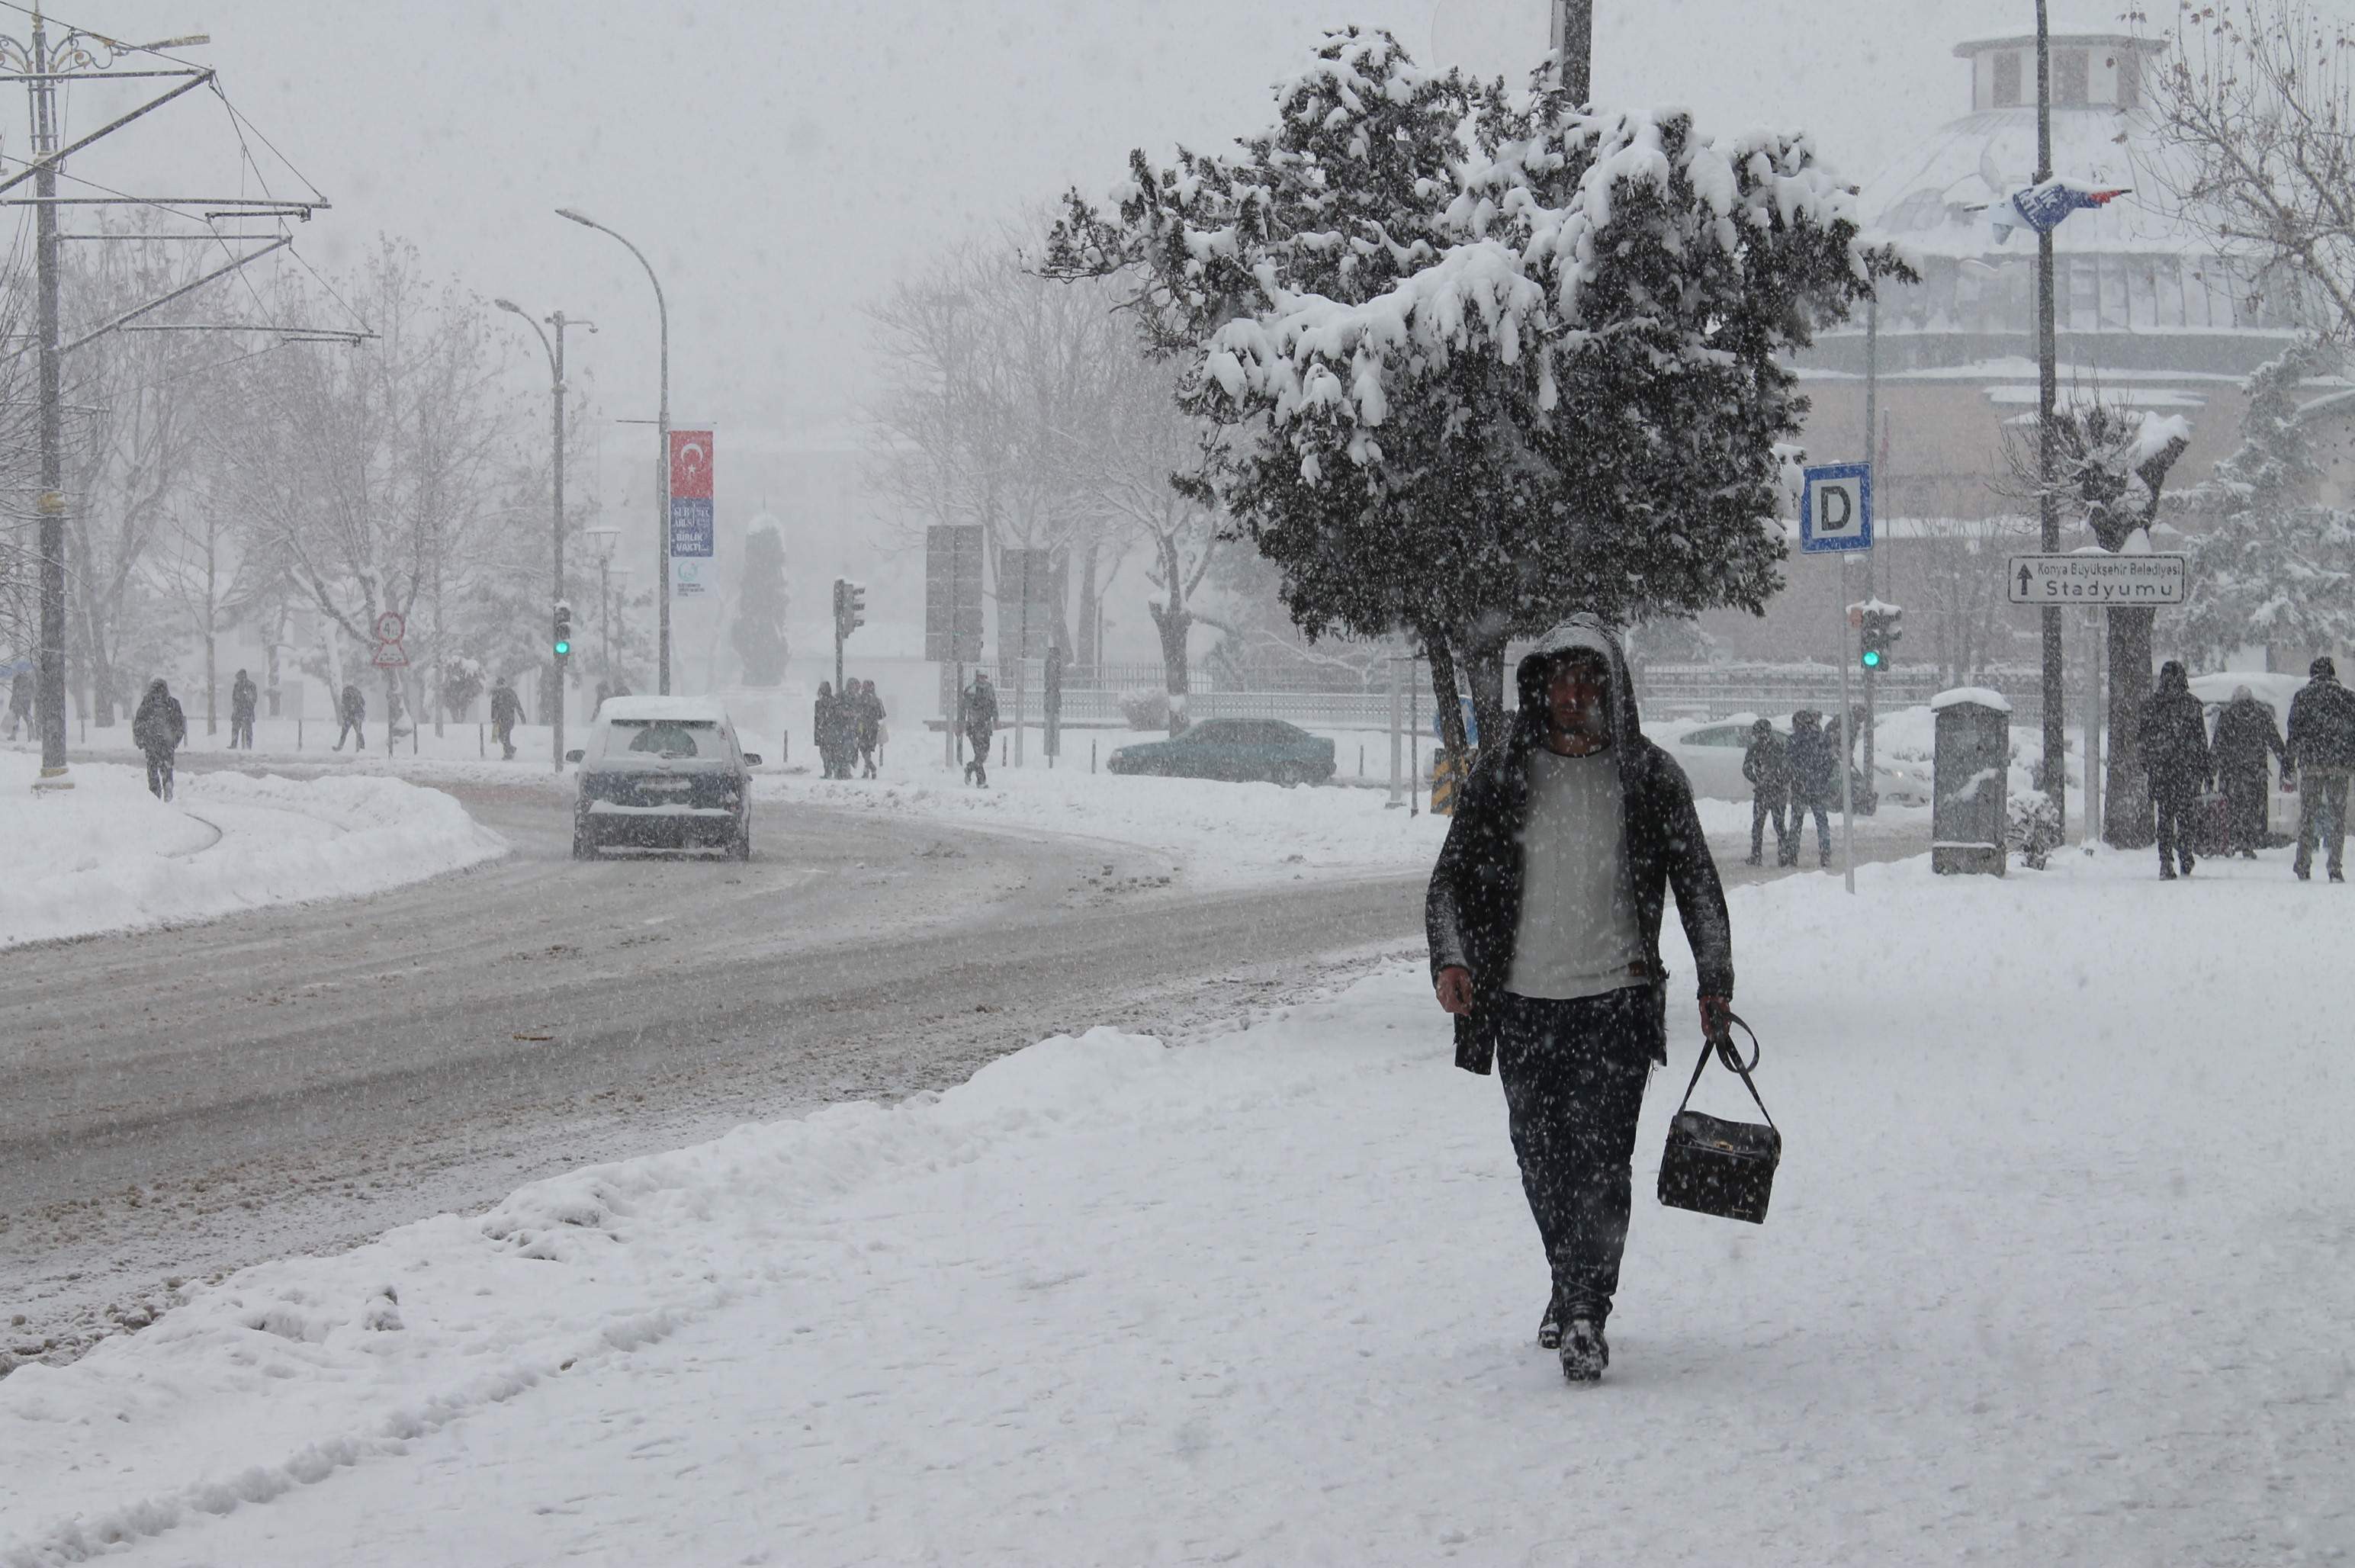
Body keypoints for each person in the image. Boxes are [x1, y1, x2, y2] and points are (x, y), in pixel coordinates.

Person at [1427, 620, 1733, 1386]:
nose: (1575, 696)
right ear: (1539, 688)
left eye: (1589, 681)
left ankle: (1585, 1310)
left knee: (1602, 1166)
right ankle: (1569, 1280)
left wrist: (1714, 977)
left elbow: (1695, 880)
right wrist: (1452, 959)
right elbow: (1448, 884)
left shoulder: (1647, 775)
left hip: (1616, 1004)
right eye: (1562, 681)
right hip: (1524, 1006)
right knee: (1541, 1163)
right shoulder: (1502, 774)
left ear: (1612, 688)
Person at [2138, 660, 2213, 880]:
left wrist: (2148, 764)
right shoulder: (2191, 706)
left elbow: (2142, 739)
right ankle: (2185, 853)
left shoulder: (2151, 706)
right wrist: (2206, 771)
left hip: (2161, 772)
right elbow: (2201, 741)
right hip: (2186, 771)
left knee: (2165, 816)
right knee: (2186, 816)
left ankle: (2165, 860)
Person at [2286, 655, 2355, 882]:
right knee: (2338, 816)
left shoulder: (2303, 696)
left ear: (2312, 673)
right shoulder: (2348, 697)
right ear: (2333, 673)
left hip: (2311, 764)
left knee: (2308, 814)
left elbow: (2294, 731)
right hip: (2339, 765)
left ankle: (2303, 863)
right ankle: (2334, 865)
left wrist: (2290, 759)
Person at [2210, 685, 2286, 860]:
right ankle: (2248, 842)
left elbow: (2217, 745)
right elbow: (2274, 740)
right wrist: (2285, 761)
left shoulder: (2227, 716)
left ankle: (2231, 840)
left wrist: (2210, 769)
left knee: (2231, 807)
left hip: (2231, 772)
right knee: (2252, 807)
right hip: (2255, 772)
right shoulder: (2261, 715)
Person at [1785, 708, 1837, 869]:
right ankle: (1825, 854)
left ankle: (1793, 854)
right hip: (1817, 787)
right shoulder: (1821, 740)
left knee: (1796, 822)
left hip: (1800, 787)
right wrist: (1822, 779)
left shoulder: (1793, 741)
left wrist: (1794, 778)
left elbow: (1788, 763)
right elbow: (1830, 762)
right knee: (1822, 822)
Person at [1740, 717, 1792, 867]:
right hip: (1778, 792)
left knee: (1758, 824)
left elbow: (1746, 768)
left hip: (1763, 792)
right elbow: (1788, 769)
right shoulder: (1779, 746)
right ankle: (1783, 853)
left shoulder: (1755, 748)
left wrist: (1757, 780)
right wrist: (1782, 783)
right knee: (1779, 823)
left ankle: (1756, 855)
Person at [130, 676, 187, 800]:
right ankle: (168, 783)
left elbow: (139, 722)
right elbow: (180, 725)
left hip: (151, 742)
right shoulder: (173, 703)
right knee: (167, 765)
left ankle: (155, 793)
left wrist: (141, 740)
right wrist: (175, 740)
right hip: (167, 742)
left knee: (152, 768)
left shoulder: (147, 703)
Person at [961, 671, 999, 787]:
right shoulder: (971, 690)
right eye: (980, 677)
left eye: (984, 677)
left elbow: (994, 704)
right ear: (977, 678)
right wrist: (962, 722)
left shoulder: (989, 689)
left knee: (984, 754)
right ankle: (981, 781)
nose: (983, 680)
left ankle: (969, 768)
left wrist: (995, 718)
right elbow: (964, 707)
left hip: (985, 726)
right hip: (974, 726)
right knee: (979, 753)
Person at [488, 676, 524, 762]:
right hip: (506, 718)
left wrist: (493, 718)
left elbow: (493, 707)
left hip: (503, 718)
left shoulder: (499, 693)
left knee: (503, 736)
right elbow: (517, 704)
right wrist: (522, 716)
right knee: (503, 736)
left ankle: (508, 753)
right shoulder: (509, 692)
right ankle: (510, 750)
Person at [856, 680, 885, 779]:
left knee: (864, 749)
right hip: (872, 728)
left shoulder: (861, 699)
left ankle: (871, 768)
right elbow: (881, 715)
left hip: (864, 727)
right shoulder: (876, 700)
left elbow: (857, 712)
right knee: (866, 750)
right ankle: (868, 770)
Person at [814, 682, 843, 779]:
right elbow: (838, 718)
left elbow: (818, 720)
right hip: (832, 732)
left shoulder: (820, 703)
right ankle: (835, 772)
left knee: (825, 753)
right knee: (833, 753)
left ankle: (829, 772)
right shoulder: (835, 702)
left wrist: (818, 733)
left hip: (825, 732)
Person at [228, 669, 258, 750]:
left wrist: (248, 706)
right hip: (238, 710)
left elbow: (253, 698)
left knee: (248, 729)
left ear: (244, 676)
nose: (239, 679)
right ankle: (234, 744)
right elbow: (234, 698)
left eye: (240, 677)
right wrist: (236, 706)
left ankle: (248, 746)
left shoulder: (251, 685)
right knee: (235, 728)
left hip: (246, 711)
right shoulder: (237, 685)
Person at [333, 681, 365, 753]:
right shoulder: (357, 692)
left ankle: (339, 747)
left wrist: (345, 716)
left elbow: (343, 706)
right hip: (357, 715)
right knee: (358, 732)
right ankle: (360, 748)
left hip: (350, 716)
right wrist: (360, 716)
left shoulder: (345, 692)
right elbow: (363, 703)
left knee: (344, 732)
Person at [8, 666, 34, 741]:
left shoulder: (16, 680)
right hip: (25, 703)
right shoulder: (29, 680)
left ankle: (13, 736)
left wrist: (11, 703)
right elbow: (32, 692)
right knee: (28, 720)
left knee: (16, 720)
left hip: (18, 703)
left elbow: (14, 693)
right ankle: (31, 736)